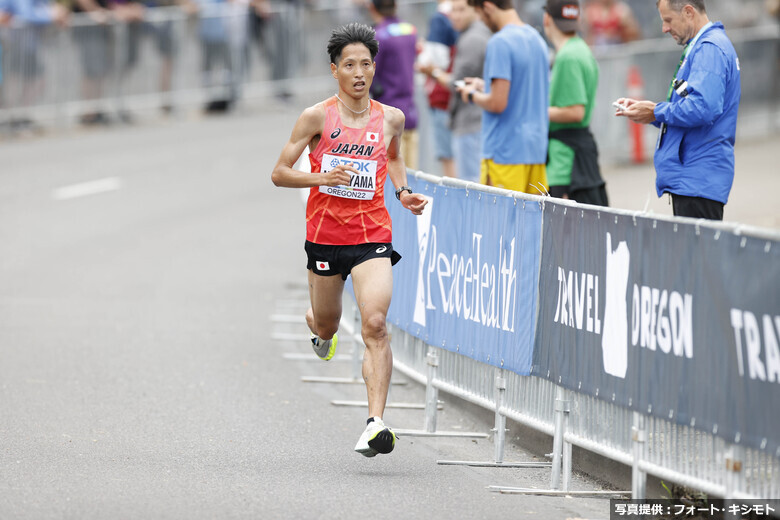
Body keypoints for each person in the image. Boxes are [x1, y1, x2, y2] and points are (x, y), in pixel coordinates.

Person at [271, 23, 428, 457]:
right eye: (349, 65)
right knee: (327, 323)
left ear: (374, 68)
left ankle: (375, 423)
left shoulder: (389, 119)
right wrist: (322, 176)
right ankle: (318, 329)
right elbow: (279, 173)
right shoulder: (317, 117)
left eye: (366, 64)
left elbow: (393, 156)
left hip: (372, 235)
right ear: (334, 70)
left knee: (375, 324)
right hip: (324, 238)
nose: (359, 73)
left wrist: (402, 191)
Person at [616, 0, 740, 221]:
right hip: (694, 180)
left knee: (697, 255)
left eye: (668, 20)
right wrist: (651, 112)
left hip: (698, 180)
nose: (664, 28)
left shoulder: (708, 48)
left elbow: (703, 108)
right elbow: (693, 108)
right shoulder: (704, 46)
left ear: (688, 12)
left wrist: (657, 112)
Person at [457, 0, 549, 194]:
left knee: (499, 222)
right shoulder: (537, 39)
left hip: (504, 153)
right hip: (535, 151)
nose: (481, 20)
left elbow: (497, 103)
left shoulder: (500, 42)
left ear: (488, 6)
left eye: (480, 13)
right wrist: (485, 85)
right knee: (531, 222)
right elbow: (525, 86)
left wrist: (472, 94)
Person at [543, 0, 608, 206]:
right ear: (577, 19)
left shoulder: (567, 56)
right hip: (576, 159)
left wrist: (534, 112)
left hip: (566, 166)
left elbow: (575, 112)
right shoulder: (580, 48)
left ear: (547, 19)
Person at [419, 0, 489, 182]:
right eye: (453, 10)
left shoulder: (472, 39)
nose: (455, 15)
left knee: (469, 183)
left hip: (470, 122)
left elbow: (457, 83)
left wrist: (432, 71)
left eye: (461, 10)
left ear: (475, 9)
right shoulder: (472, 35)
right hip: (472, 120)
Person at [367, 0, 419, 170]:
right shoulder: (410, 31)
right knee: (411, 175)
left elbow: (371, 74)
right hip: (410, 111)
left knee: (392, 177)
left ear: (372, 7)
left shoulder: (378, 36)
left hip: (388, 113)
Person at [416, 0, 458, 177]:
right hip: (460, 98)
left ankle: (455, 203)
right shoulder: (467, 16)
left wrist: (421, 57)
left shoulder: (441, 18)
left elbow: (435, 61)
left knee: (448, 158)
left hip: (443, 97)